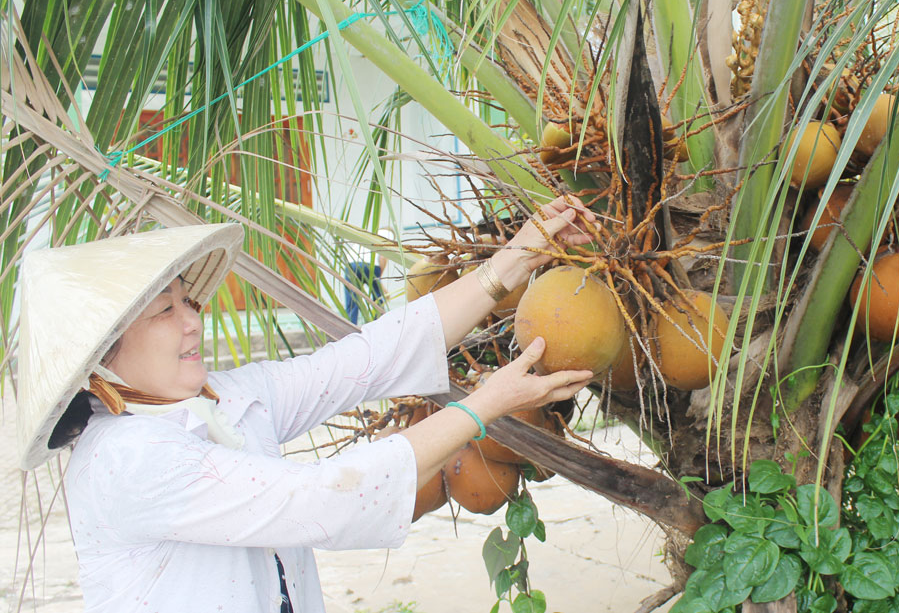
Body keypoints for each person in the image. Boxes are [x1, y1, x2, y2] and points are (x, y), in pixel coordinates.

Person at [14, 196, 598, 613]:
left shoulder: (227, 401)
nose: (193, 321)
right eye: (165, 311)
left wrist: (514, 260)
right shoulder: (127, 458)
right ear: (101, 357)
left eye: (189, 301)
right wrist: (481, 407)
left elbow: (365, 359)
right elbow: (318, 498)